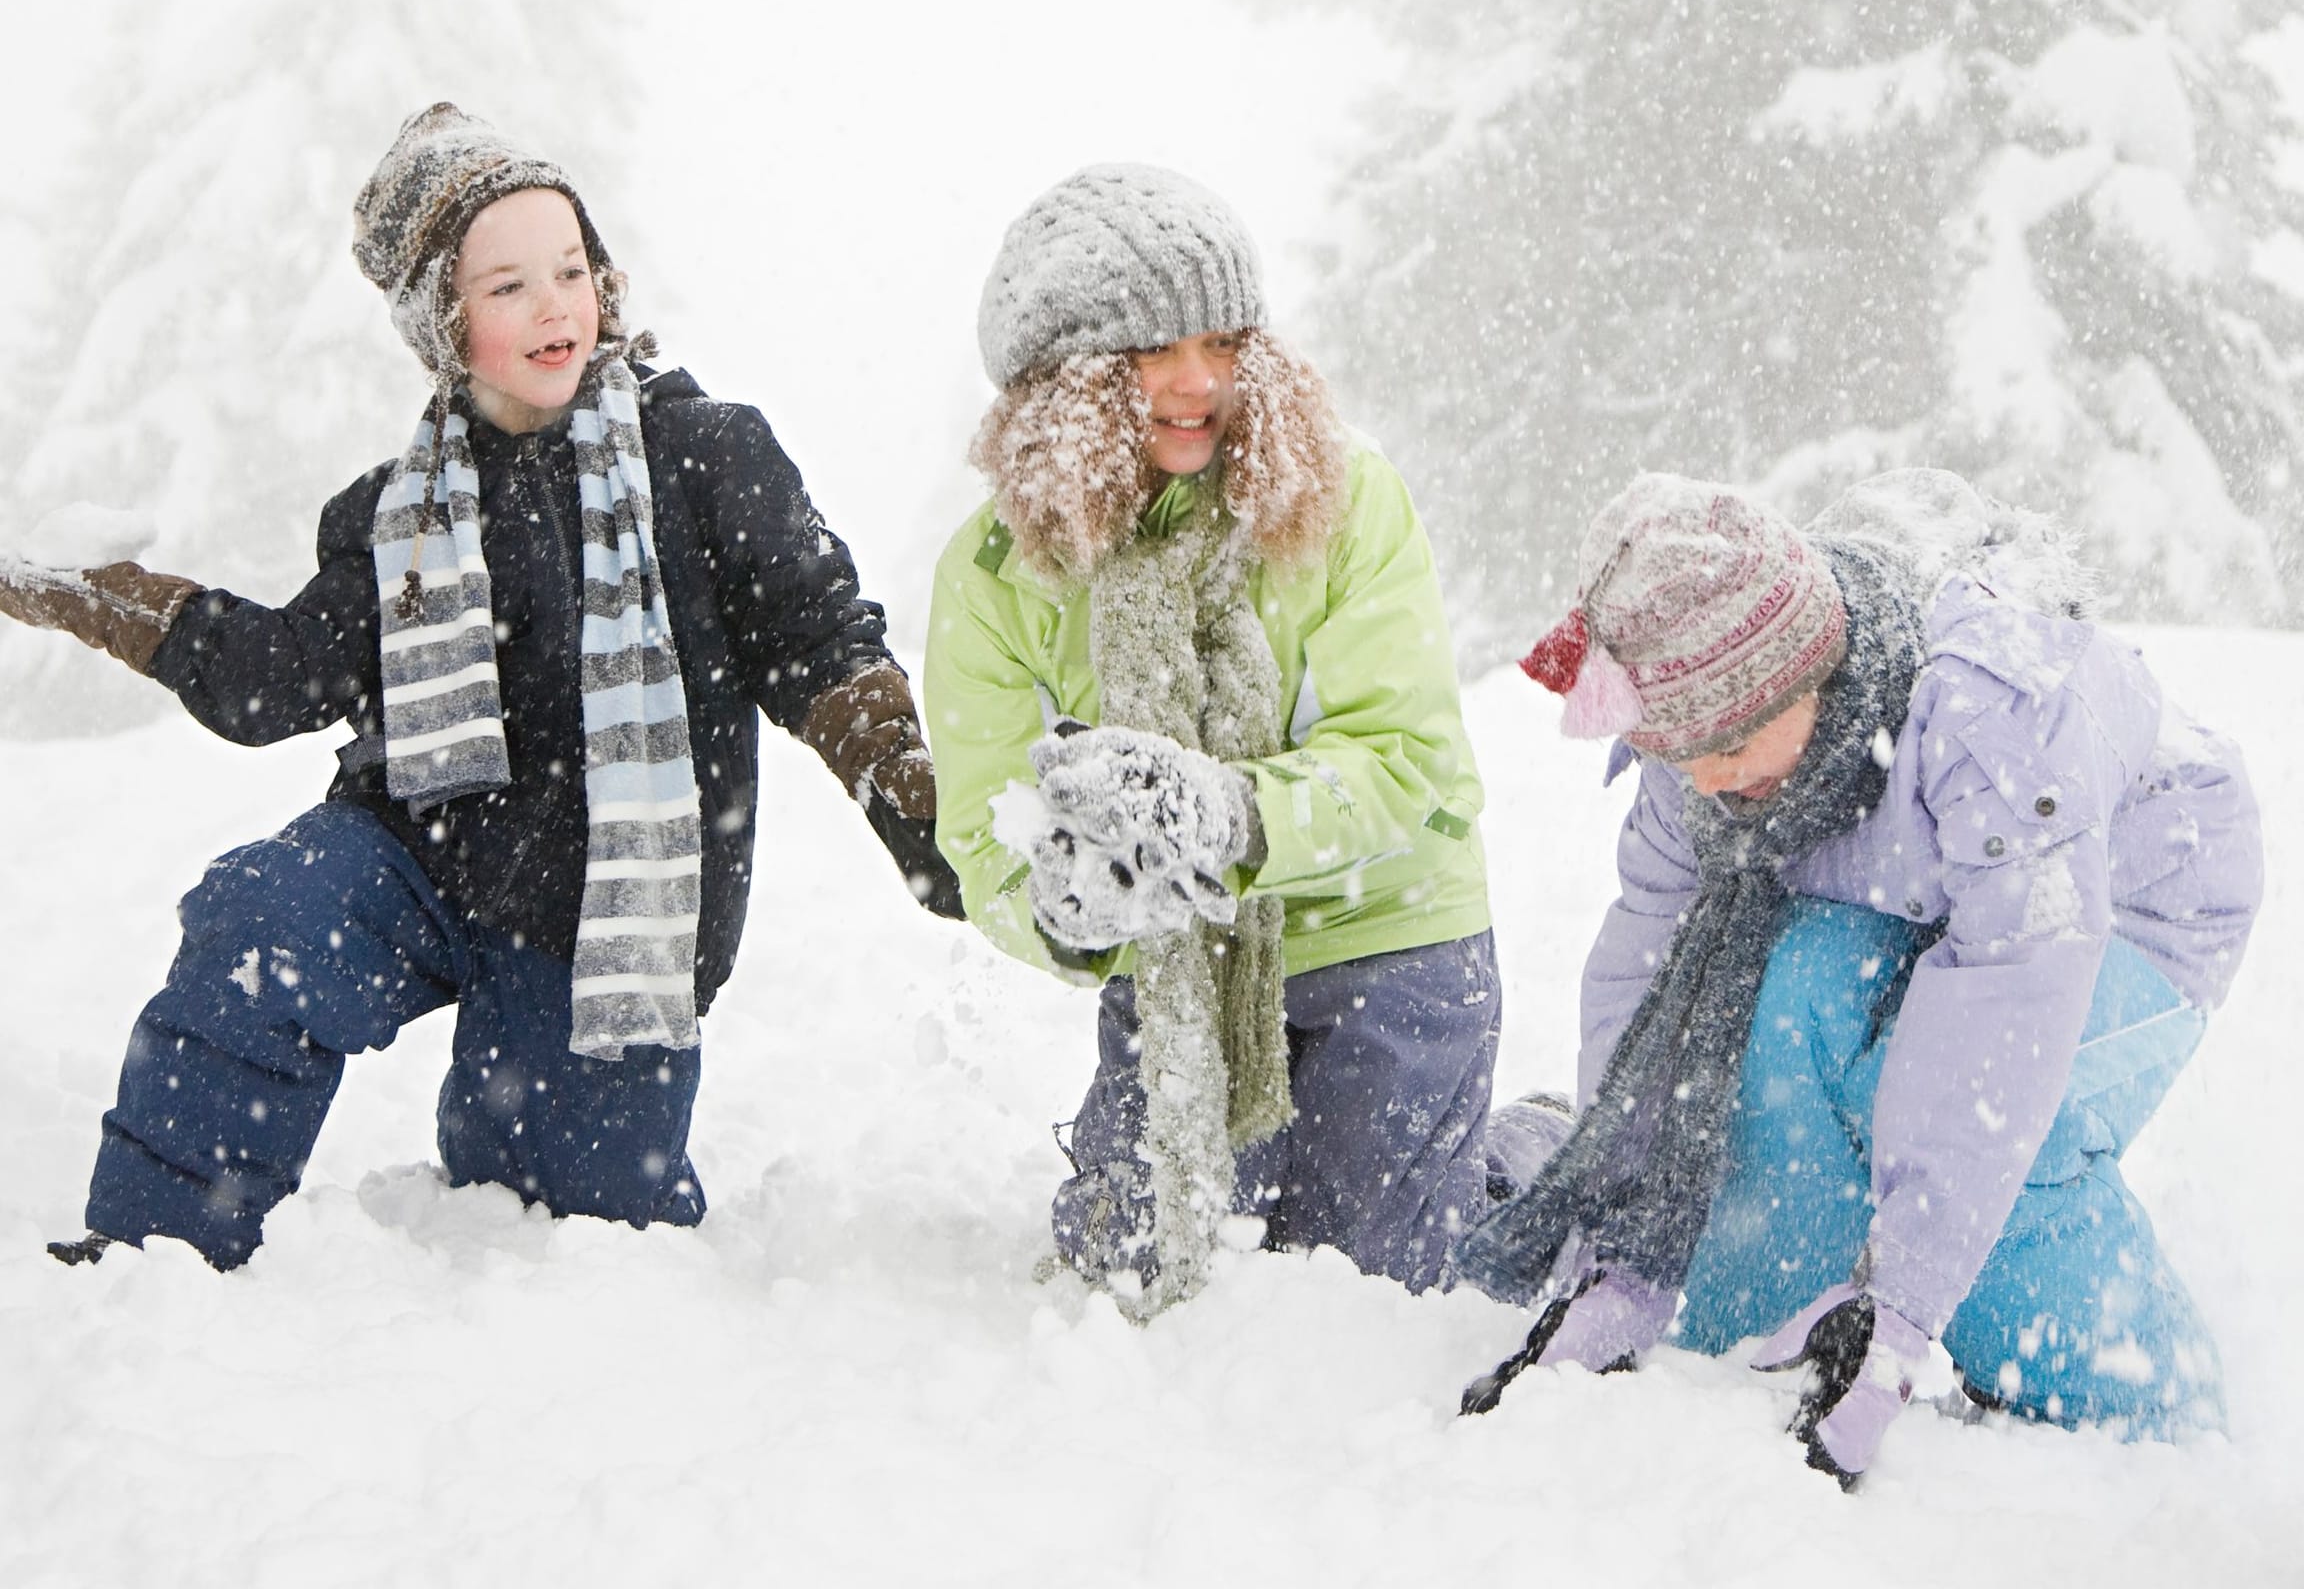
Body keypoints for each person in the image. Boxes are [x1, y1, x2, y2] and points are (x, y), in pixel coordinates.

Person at [0, 103, 956, 1270]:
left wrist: (906, 784)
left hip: (607, 920)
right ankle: (150, 1259)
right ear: (444, 325)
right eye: (507, 287)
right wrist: (107, 598)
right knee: (266, 920)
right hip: (416, 853)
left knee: (568, 1230)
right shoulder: (396, 513)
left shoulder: (705, 457)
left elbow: (818, 639)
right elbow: (275, 685)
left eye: (570, 268)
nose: (555, 305)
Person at [1456, 469, 2261, 1484]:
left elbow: (2006, 1007)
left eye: (1735, 744)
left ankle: (2131, 1402)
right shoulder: (1706, 741)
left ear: (1808, 676)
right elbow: (1650, 974)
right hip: (1911, 892)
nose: (1705, 781)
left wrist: (1906, 1306)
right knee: (1769, 1014)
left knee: (1993, 1117)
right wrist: (1626, 1249)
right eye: (1679, 753)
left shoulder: (1990, 724)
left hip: (2127, 898)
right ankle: (1752, 1336)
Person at [925, 163, 1513, 1316]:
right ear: (1064, 381)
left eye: (1224, 341)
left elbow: (1408, 763)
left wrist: (1226, 819)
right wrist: (1066, 908)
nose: (1200, 382)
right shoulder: (996, 576)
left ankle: (1516, 1156)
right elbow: (986, 834)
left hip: (1386, 938)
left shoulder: (1343, 498)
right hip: (1175, 971)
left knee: (1365, 1301)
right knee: (1140, 1287)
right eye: (1153, 351)